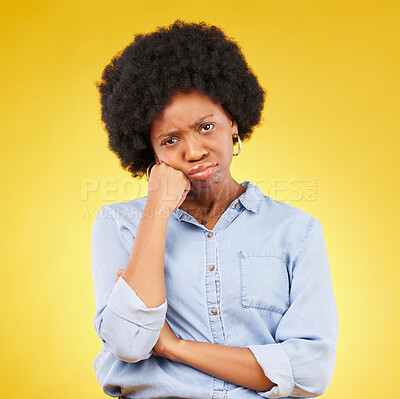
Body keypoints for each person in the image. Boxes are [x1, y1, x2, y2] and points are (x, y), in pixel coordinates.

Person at [91, 20, 338, 399]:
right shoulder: (119, 225)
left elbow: (308, 372)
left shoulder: (296, 231)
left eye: (206, 127)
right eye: (170, 140)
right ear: (150, 151)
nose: (193, 151)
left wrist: (175, 347)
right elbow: (129, 342)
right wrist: (157, 206)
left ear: (233, 124)